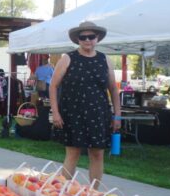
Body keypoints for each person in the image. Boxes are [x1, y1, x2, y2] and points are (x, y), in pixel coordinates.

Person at [50, 21, 121, 183]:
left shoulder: (105, 59)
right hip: (73, 112)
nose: (87, 40)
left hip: (98, 113)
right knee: (73, 153)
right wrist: (55, 111)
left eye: (91, 36)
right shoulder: (68, 58)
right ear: (78, 39)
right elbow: (53, 86)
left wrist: (117, 115)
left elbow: (113, 89)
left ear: (97, 38)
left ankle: (93, 195)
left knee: (97, 154)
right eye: (83, 37)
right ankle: (63, 194)